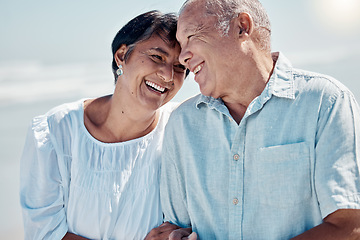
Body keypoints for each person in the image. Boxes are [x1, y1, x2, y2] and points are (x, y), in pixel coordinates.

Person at [159, 0, 360, 239]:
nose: (182, 57)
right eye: (180, 46)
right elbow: (176, 225)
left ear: (242, 27)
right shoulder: (182, 124)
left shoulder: (325, 102)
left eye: (191, 36)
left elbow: (350, 225)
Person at [20, 10, 188, 240]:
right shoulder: (57, 131)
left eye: (180, 67)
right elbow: (44, 233)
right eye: (157, 57)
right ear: (121, 56)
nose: (168, 75)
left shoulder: (182, 128)